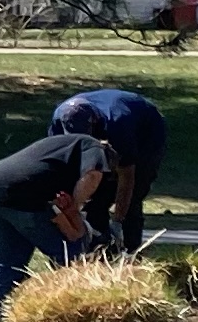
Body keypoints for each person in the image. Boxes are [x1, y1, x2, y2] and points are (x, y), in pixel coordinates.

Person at [0, 126, 117, 322]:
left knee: (8, 263)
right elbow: (93, 176)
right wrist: (73, 207)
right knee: (71, 255)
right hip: (24, 195)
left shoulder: (61, 148)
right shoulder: (94, 147)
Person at [48, 85, 166, 255]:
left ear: (94, 122)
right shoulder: (59, 119)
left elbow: (128, 176)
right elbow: (63, 164)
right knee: (96, 196)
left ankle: (130, 252)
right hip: (111, 127)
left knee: (133, 196)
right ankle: (97, 250)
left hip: (146, 132)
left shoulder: (117, 123)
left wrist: (118, 221)